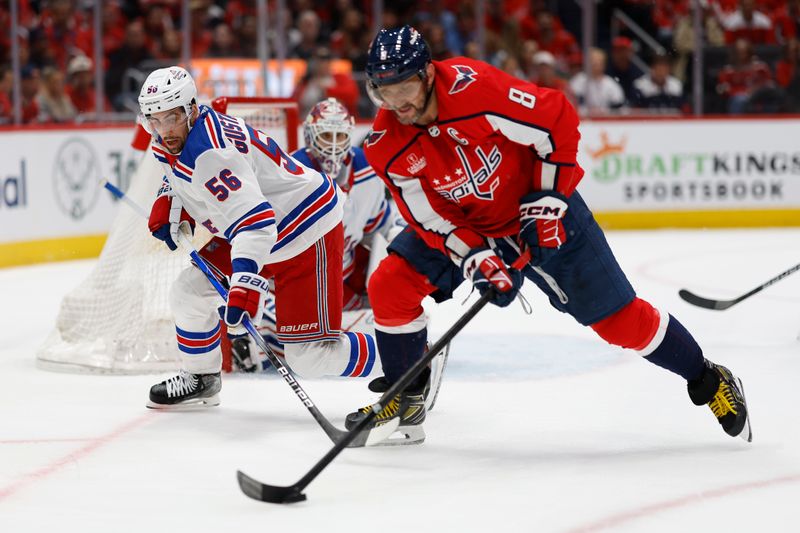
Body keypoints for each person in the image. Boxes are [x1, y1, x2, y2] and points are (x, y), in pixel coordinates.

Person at [346, 25, 752, 445]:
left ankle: (707, 377)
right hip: (475, 227)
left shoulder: (475, 91)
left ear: (428, 73)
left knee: (620, 322)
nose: (397, 104)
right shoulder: (385, 144)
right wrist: (476, 257)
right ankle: (405, 396)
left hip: (545, 209)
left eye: (404, 88)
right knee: (390, 284)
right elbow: (430, 218)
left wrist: (545, 204)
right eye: (384, 92)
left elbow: (555, 121)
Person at [137, 66, 378, 409]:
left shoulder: (211, 153)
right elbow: (186, 176)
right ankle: (202, 379)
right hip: (257, 229)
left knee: (309, 357)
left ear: (191, 108)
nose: (163, 130)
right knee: (189, 293)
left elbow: (257, 223)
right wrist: (171, 200)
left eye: (171, 117)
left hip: (305, 230)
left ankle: (407, 358)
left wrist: (245, 286)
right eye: (155, 121)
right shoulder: (179, 136)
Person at [228, 97, 406, 370]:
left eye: (339, 135)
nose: (333, 145)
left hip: (342, 282)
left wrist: (406, 252)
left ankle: (405, 349)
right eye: (325, 135)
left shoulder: (368, 170)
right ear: (311, 136)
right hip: (299, 279)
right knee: (292, 348)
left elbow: (381, 224)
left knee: (392, 301)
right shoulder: (291, 172)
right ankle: (398, 351)